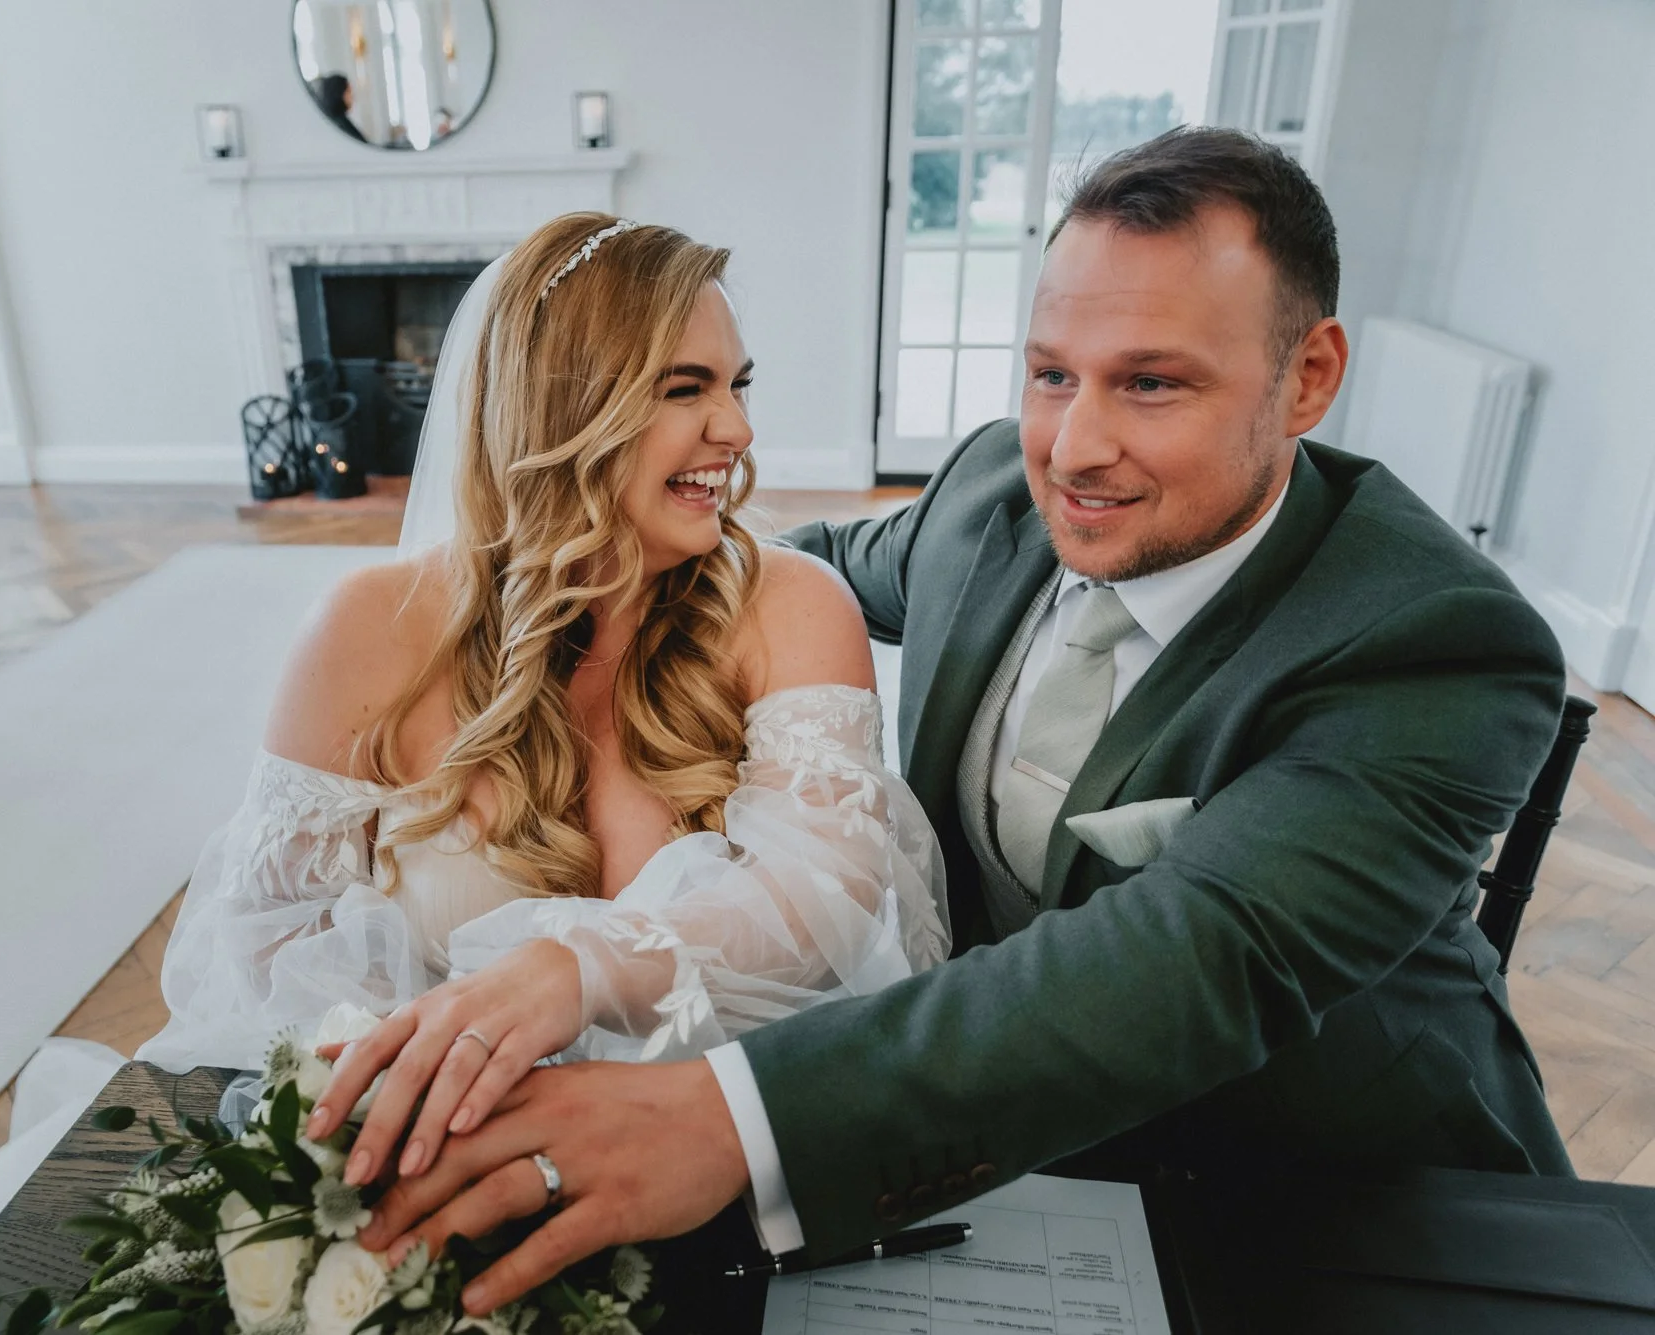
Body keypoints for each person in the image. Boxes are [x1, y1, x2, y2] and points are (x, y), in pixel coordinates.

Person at [351, 127, 1574, 1317]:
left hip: (1336, 1194)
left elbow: (1195, 958)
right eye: (1051, 374)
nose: (1074, 449)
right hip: (996, 1158)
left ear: (1305, 377)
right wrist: (565, 592)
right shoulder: (991, 488)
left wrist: (732, 1119)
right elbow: (785, 570)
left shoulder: (1434, 643)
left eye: (1150, 383)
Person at [139, 214, 949, 1190]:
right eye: (683, 388)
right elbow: (269, 946)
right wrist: (417, 1091)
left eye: (736, 386)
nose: (735, 430)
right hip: (434, 1155)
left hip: (701, 1163)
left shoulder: (791, 605)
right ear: (561, 410)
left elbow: (827, 894)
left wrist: (583, 970)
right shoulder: (367, 628)